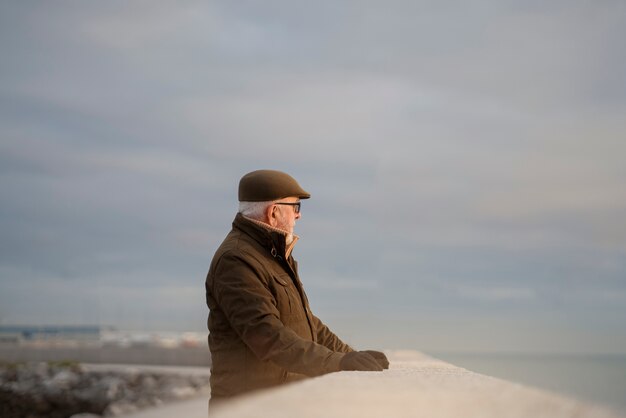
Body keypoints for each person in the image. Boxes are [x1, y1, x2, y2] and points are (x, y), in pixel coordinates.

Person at [205, 169, 389, 404]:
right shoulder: (237, 259)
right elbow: (267, 336)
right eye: (295, 207)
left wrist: (349, 355)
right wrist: (337, 363)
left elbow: (305, 322)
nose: (298, 216)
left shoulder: (272, 255)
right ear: (273, 212)